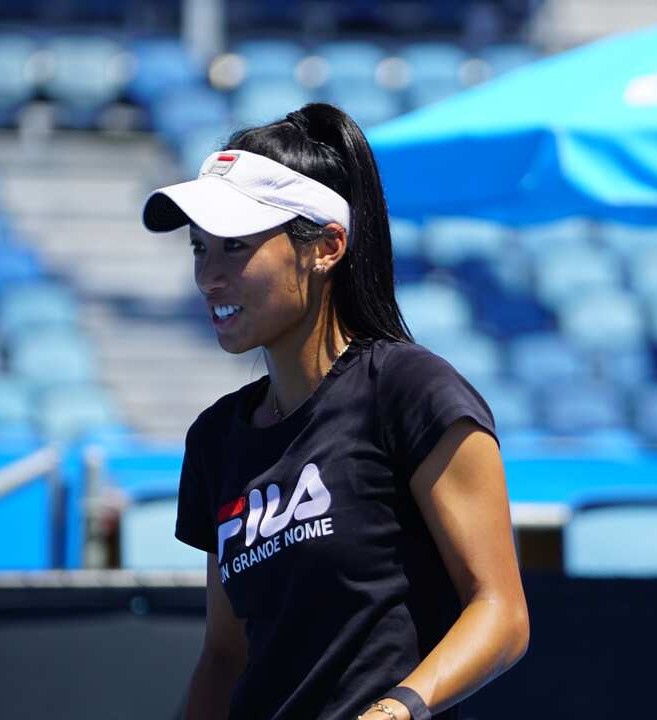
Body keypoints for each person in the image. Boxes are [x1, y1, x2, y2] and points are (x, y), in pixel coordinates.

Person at [142, 103, 529, 720]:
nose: (210, 277)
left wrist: (397, 710)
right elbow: (224, 654)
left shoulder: (410, 389)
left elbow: (501, 613)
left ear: (326, 247)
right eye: (199, 249)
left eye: (235, 247)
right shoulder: (215, 438)